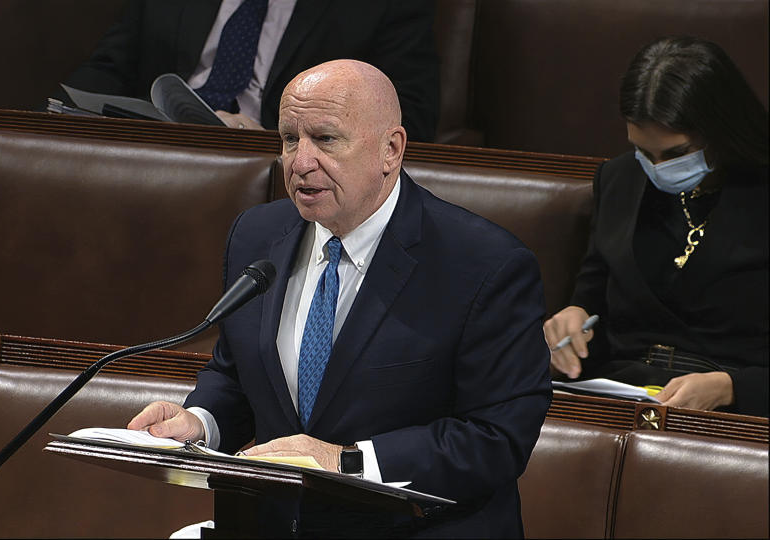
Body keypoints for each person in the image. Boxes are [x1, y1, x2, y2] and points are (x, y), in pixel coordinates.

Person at [129, 59, 552, 537]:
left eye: (325, 140)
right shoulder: (256, 235)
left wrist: (344, 461)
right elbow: (237, 375)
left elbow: (496, 439)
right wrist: (200, 423)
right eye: (290, 139)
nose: (300, 162)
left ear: (391, 149)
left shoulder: (484, 264)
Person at [545, 36, 769, 417]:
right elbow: (592, 294)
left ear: (722, 129)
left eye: (676, 154)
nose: (658, 168)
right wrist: (572, 321)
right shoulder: (620, 179)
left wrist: (733, 387)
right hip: (619, 393)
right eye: (644, 152)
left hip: (734, 409)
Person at [58, 0, 440, 142]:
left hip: (271, 160)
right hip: (153, 142)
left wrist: (286, 137)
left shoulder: (387, 6)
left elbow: (408, 117)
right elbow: (108, 67)